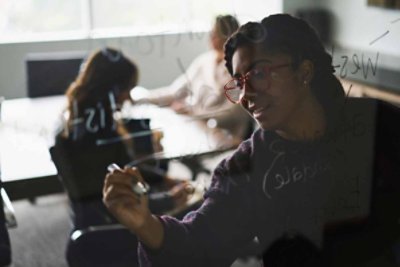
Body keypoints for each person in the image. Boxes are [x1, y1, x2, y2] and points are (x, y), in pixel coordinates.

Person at [103, 14, 400, 267]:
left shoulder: (380, 124)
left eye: (258, 73)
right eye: (239, 83)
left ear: (304, 71)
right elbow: (202, 242)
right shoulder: (247, 166)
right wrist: (146, 224)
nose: (246, 96)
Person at [51, 47, 191, 229]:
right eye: (127, 89)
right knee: (196, 214)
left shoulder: (81, 120)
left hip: (95, 216)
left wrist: (165, 179)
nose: (129, 98)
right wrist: (170, 199)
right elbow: (115, 201)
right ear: (110, 88)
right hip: (111, 225)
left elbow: (124, 168)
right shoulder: (97, 137)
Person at [132, 15, 252, 140]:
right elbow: (175, 92)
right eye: (212, 32)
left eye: (216, 33)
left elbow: (234, 113)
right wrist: (140, 98)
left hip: (227, 137)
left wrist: (195, 113)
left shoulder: (240, 68)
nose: (211, 37)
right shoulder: (204, 61)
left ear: (230, 36)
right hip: (199, 129)